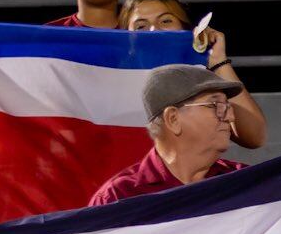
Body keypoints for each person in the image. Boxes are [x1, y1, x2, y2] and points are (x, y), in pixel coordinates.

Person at [120, 0, 268, 150]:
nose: (154, 31)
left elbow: (255, 137)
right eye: (141, 26)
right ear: (127, 41)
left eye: (166, 21)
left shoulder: (202, 84)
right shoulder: (114, 86)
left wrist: (217, 61)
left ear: (185, 30)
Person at [88, 65, 250, 204]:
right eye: (217, 106)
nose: (231, 117)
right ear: (173, 119)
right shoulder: (118, 197)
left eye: (228, 107)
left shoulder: (246, 183)